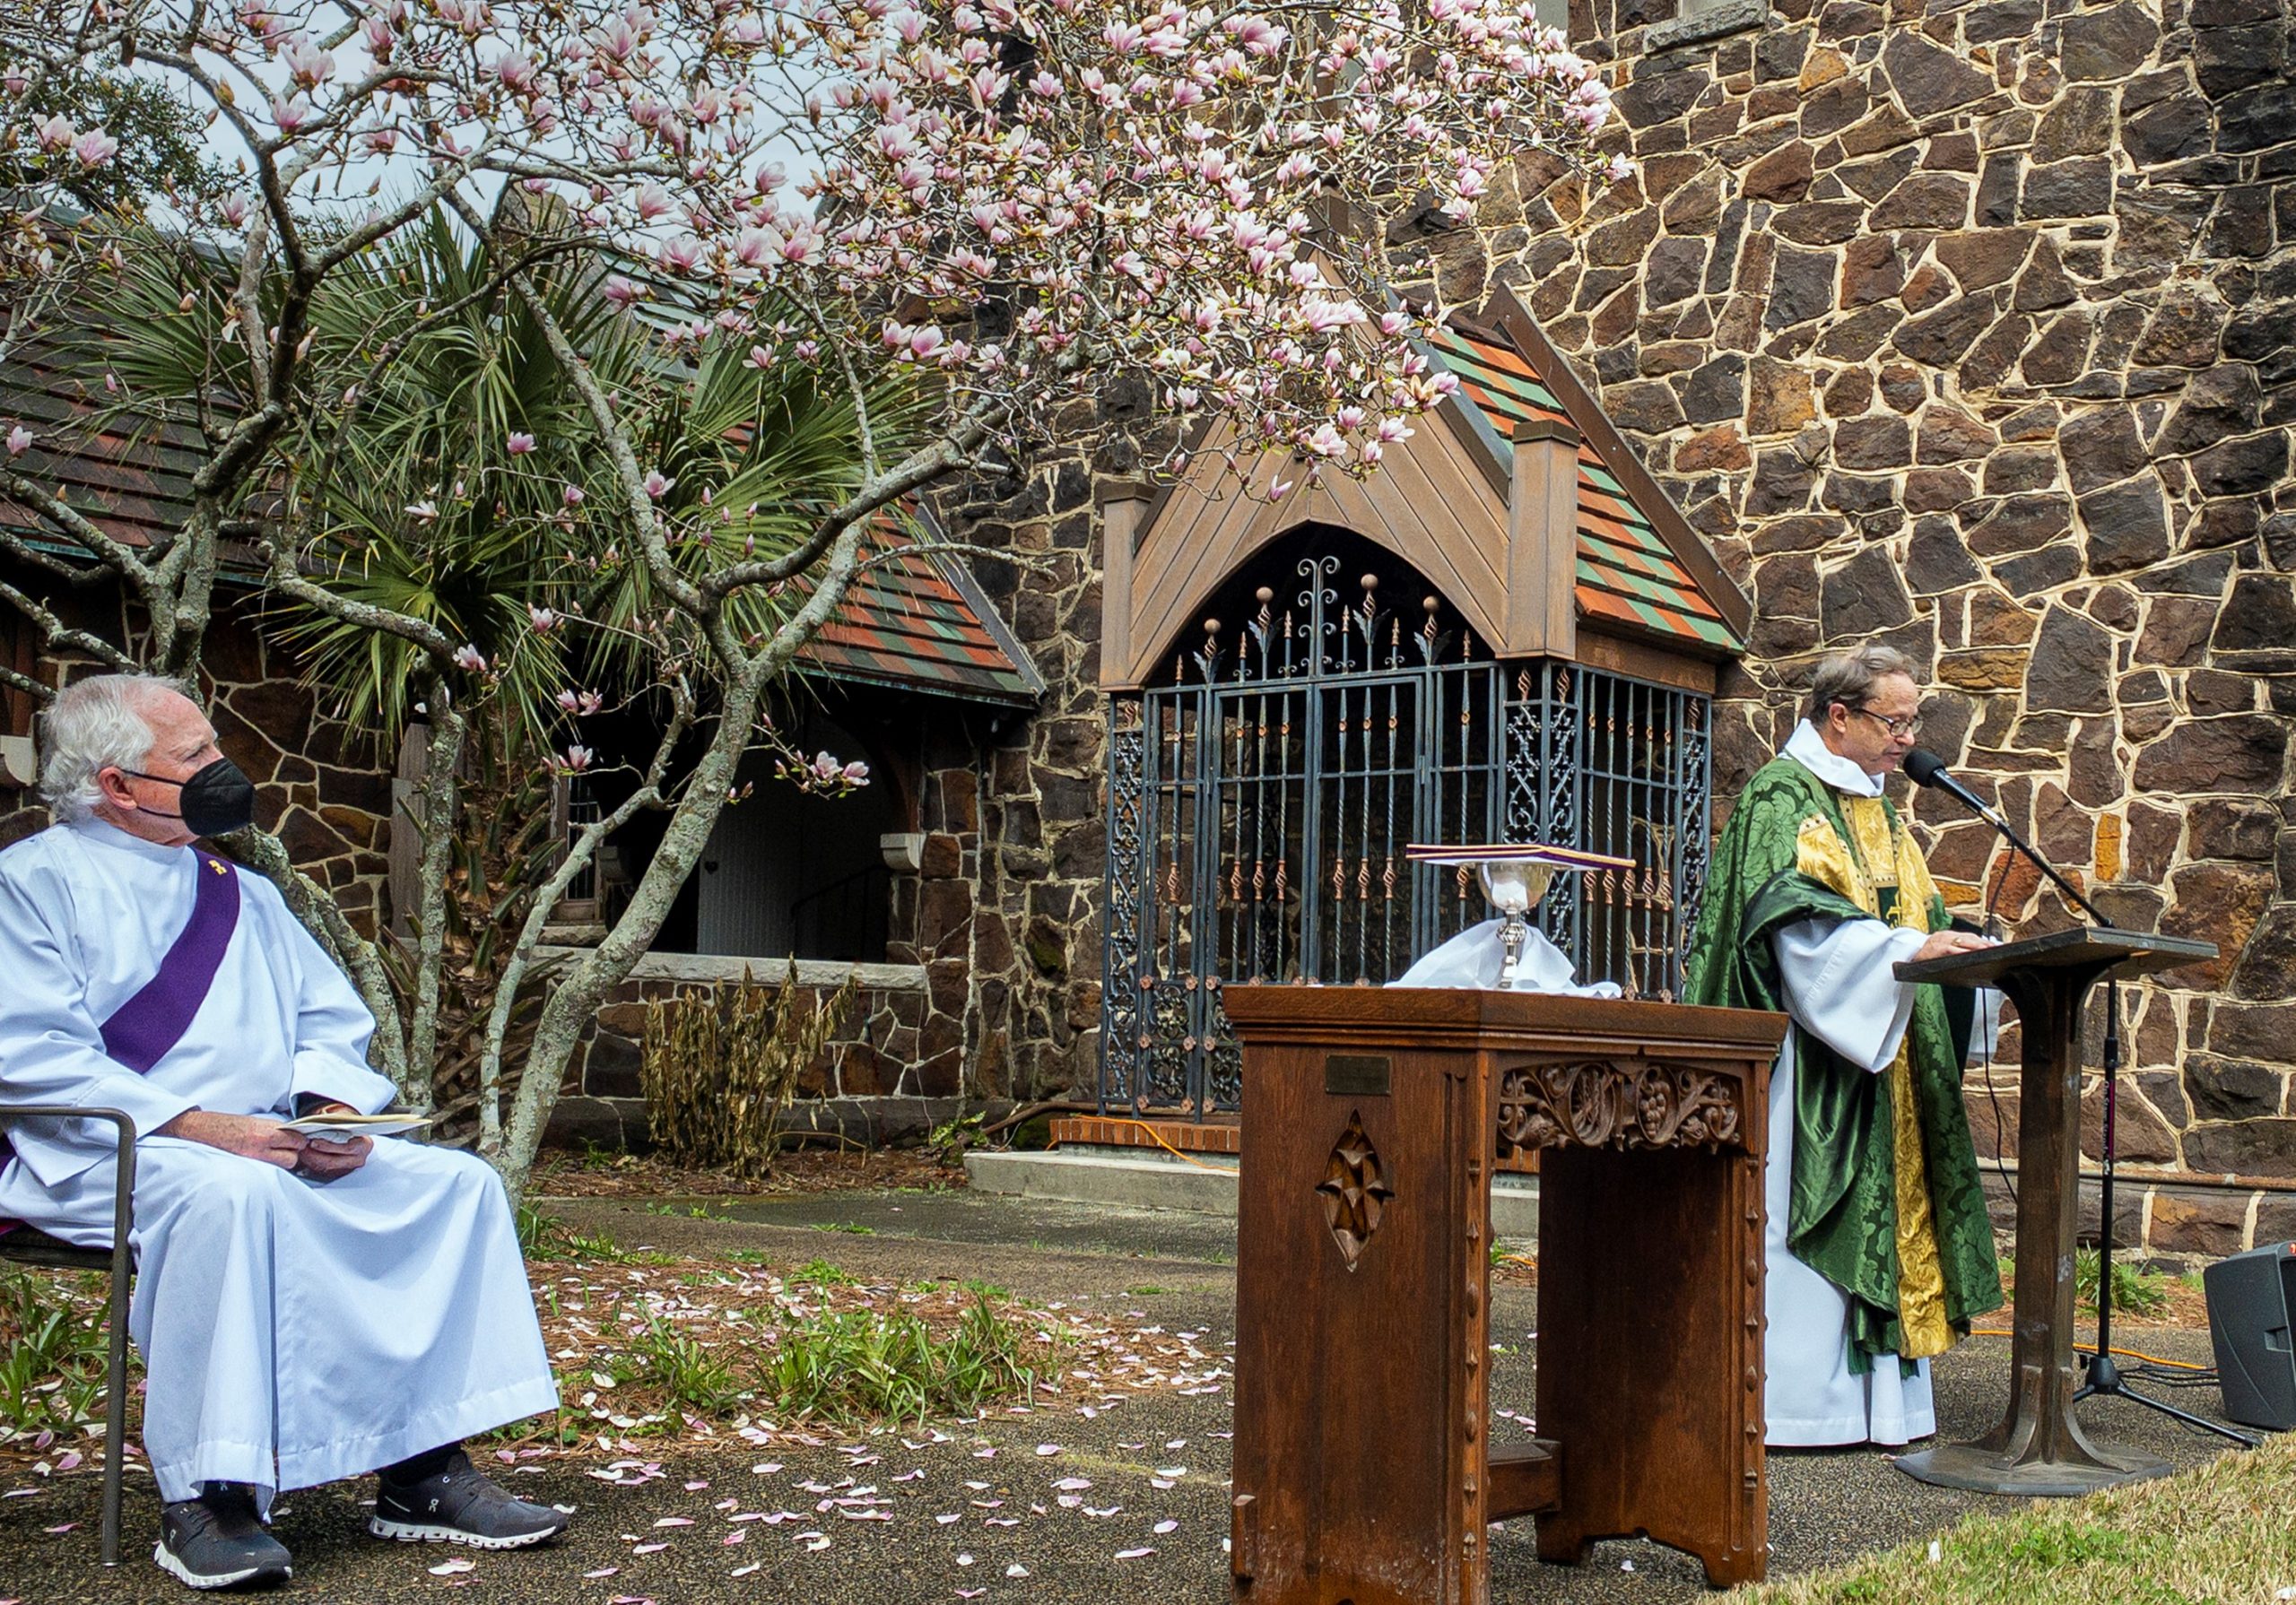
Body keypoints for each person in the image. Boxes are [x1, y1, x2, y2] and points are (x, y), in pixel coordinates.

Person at [0, 674, 569, 1590]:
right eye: (195, 757)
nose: (225, 768)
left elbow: (327, 1024)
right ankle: (209, 1496)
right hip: (108, 1149)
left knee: (452, 1182)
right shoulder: (27, 885)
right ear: (115, 783)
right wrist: (204, 1128)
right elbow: (30, 1052)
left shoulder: (243, 892)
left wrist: (331, 1111)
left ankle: (421, 1469)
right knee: (235, 1191)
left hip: (268, 1144)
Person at [1683, 645, 2005, 1448]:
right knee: (1801, 1226)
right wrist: (1898, 956)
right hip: (1807, 1065)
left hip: (1881, 1050)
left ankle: (1881, 1411)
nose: (1908, 738)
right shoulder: (1781, 799)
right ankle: (1797, 1409)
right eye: (1894, 722)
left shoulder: (1880, 809)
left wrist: (1965, 952)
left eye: (1912, 721)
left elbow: (1916, 920)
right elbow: (1792, 931)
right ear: (1839, 716)